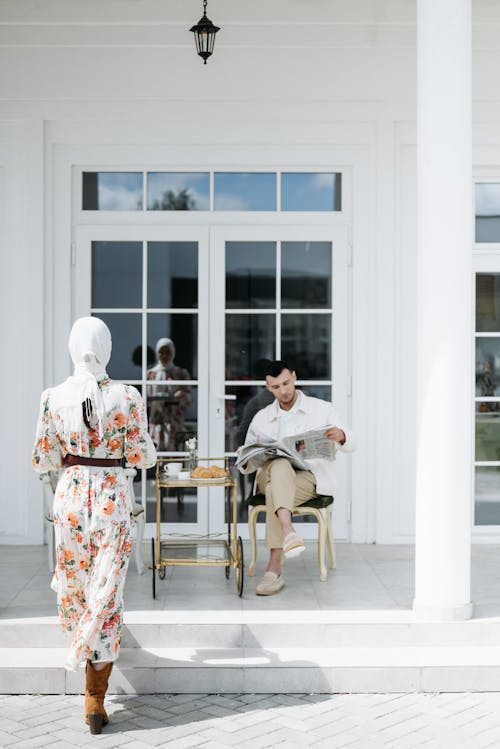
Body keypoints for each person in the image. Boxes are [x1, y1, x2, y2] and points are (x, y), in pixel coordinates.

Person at [32, 317, 156, 735]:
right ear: (105, 347)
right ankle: (94, 698)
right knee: (107, 592)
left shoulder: (53, 397)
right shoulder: (128, 395)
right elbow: (143, 457)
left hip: (69, 500)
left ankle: (88, 678)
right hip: (112, 500)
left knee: (78, 588)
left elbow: (43, 459)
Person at [238, 360, 355, 596]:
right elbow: (247, 462)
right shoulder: (262, 416)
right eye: (276, 387)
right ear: (268, 388)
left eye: (286, 383)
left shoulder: (321, 409)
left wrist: (341, 436)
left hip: (309, 480)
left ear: (294, 376)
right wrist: (253, 457)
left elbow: (352, 443)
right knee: (279, 464)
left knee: (274, 489)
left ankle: (274, 568)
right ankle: (288, 532)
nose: (283, 390)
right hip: (268, 475)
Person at [147, 337, 192, 451]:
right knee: (156, 453)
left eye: (168, 352)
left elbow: (189, 400)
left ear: (173, 353)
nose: (164, 356)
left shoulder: (181, 374)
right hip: (157, 419)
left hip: (174, 420)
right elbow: (145, 399)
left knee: (174, 454)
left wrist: (182, 395)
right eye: (161, 352)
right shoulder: (151, 374)